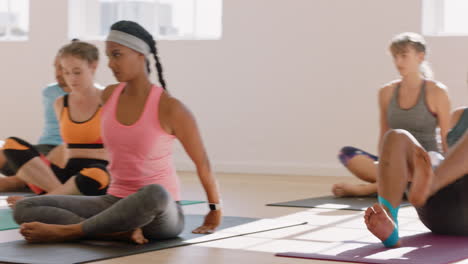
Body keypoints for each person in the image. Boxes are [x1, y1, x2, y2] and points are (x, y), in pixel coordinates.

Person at [12, 20, 222, 244]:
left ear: (141, 54)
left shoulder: (171, 108)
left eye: (117, 55)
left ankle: (71, 231)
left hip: (159, 212)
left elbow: (203, 164)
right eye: (109, 56)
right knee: (25, 206)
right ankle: (111, 232)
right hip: (114, 201)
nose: (111, 64)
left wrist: (214, 208)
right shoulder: (109, 95)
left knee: (156, 192)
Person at [333, 32, 451, 197]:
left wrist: (448, 173)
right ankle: (400, 184)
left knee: (432, 161)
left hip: (425, 162)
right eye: (395, 56)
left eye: (404, 56)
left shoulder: (437, 91)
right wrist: (384, 164)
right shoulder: (386, 92)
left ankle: (369, 189)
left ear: (420, 56)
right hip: (396, 163)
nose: (398, 62)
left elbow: (447, 138)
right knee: (347, 154)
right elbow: (384, 133)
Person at [3, 40, 109, 200]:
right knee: (11, 144)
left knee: (97, 174)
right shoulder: (60, 103)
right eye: (66, 72)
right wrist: (41, 165)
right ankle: (61, 197)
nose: (71, 79)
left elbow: (118, 153)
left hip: (95, 175)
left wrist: (75, 152)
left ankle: (46, 199)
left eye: (77, 72)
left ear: (93, 66)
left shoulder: (109, 100)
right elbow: (64, 148)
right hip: (66, 175)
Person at [365, 106, 468, 247]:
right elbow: (447, 151)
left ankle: (431, 183)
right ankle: (390, 223)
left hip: (438, 190)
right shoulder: (459, 115)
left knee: (432, 171)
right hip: (438, 207)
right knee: (396, 136)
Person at [0, 54, 70, 192]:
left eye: (62, 68)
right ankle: (30, 180)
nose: (57, 73)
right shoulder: (50, 92)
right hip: (42, 148)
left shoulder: (99, 96)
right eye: (55, 67)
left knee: (59, 153)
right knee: (8, 146)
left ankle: (18, 182)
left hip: (63, 152)